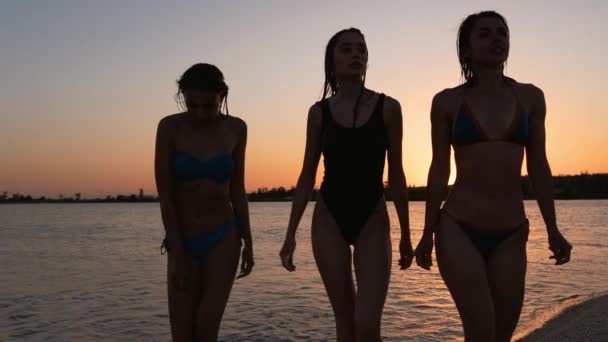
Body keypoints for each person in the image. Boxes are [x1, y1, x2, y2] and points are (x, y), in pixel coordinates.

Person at [414, 11, 572, 342]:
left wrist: (554, 229)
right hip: (458, 227)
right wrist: (427, 232)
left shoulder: (531, 97)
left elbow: (539, 166)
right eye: (484, 34)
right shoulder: (447, 102)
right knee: (481, 331)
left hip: (511, 232)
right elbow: (439, 168)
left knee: (502, 335)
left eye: (502, 33)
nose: (497, 38)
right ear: (467, 49)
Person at [279, 28, 413, 341]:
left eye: (361, 49)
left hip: (372, 216)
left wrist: (406, 234)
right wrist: (289, 236)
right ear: (331, 60)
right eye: (347, 49)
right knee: (345, 322)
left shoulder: (388, 108)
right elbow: (306, 176)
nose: (356, 54)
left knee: (367, 325)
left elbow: (397, 174)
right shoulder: (319, 113)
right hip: (329, 216)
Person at [155, 63, 254, 341]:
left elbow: (237, 189)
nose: (200, 113)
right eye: (192, 104)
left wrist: (248, 241)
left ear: (222, 95)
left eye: (208, 106)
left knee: (207, 327)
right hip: (183, 237)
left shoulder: (237, 128)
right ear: (183, 97)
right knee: (183, 333)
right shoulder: (169, 128)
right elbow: (165, 195)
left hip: (224, 235)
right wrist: (178, 251)